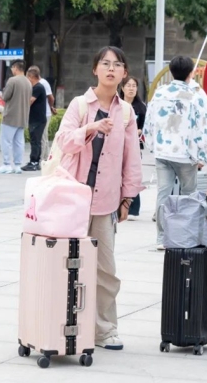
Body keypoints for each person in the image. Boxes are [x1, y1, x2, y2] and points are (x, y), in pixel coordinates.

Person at [56, 46, 143, 350]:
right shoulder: (81, 106)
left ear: (124, 73)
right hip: (73, 201)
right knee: (65, 264)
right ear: (94, 69)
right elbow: (64, 141)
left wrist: (127, 198)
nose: (110, 69)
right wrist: (91, 127)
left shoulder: (127, 112)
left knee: (105, 270)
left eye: (117, 64)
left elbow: (131, 159)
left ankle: (104, 331)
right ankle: (61, 325)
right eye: (105, 64)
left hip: (106, 202)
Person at [143, 55, 207, 250]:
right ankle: (186, 235)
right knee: (189, 194)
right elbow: (202, 125)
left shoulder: (160, 92)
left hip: (163, 152)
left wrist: (152, 145)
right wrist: (202, 155)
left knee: (162, 195)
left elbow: (150, 120)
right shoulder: (197, 94)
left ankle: (161, 238)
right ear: (191, 73)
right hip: (186, 153)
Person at [0, 60, 31, 174]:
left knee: (5, 141)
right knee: (19, 142)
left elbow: (5, 97)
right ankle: (18, 165)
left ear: (15, 68)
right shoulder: (28, 82)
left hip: (10, 116)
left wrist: (1, 94)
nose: (11, 70)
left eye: (12, 68)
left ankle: (6, 164)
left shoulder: (12, 80)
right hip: (23, 116)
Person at [119, 76, 147, 220]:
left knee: (132, 175)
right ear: (122, 88)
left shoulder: (141, 108)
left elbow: (146, 127)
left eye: (134, 86)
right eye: (128, 85)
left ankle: (133, 209)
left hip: (134, 146)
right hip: (117, 145)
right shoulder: (116, 105)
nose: (131, 88)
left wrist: (138, 131)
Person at [27, 65, 56, 161]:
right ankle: (45, 157)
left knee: (42, 137)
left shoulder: (42, 83)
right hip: (41, 113)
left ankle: (42, 159)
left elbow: (51, 97)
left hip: (44, 113)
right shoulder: (36, 84)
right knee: (41, 137)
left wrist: (50, 107)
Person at [21, 68, 47, 171]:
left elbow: (30, 101)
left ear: (31, 77)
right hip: (36, 119)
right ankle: (35, 161)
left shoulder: (38, 87)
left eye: (27, 77)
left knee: (35, 141)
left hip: (37, 119)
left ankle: (34, 162)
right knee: (35, 141)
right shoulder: (37, 87)